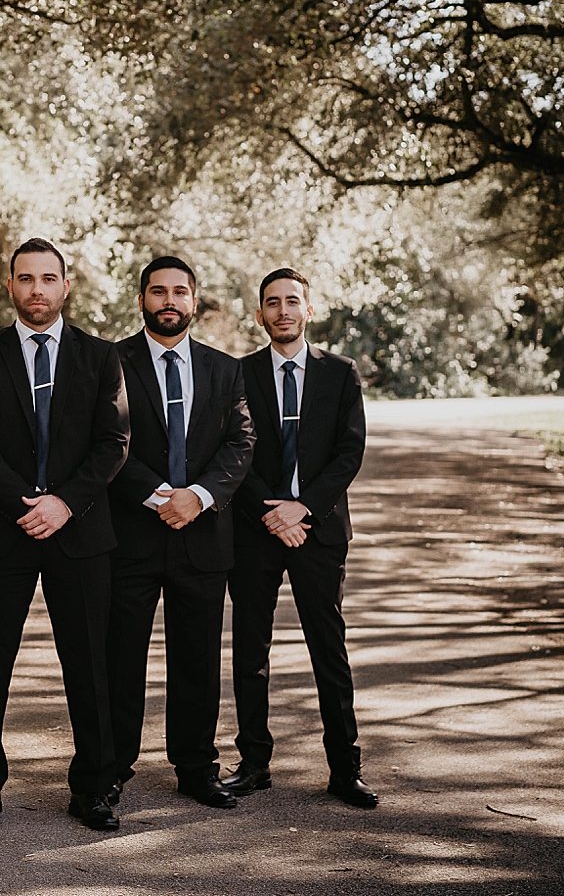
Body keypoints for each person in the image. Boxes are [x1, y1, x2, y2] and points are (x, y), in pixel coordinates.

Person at [0, 238, 130, 832]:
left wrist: (64, 503)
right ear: (10, 286)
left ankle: (95, 787)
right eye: (25, 279)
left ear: (65, 286)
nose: (37, 289)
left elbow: (114, 443)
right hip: (2, 533)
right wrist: (20, 504)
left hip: (80, 533)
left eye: (48, 278)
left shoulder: (101, 356)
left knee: (89, 665)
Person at [220, 268, 377, 808]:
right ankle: (254, 763)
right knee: (250, 650)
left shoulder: (341, 373)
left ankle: (345, 767)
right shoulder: (238, 375)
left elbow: (348, 453)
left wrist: (302, 508)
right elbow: (235, 452)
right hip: (255, 531)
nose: (282, 310)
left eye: (292, 301)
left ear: (309, 309)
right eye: (272, 302)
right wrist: (271, 512)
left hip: (320, 529)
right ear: (260, 313)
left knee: (327, 648)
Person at [106, 256, 255, 809]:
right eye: (158, 291)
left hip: (203, 535)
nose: (169, 301)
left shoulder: (224, 369)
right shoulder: (112, 362)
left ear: (195, 300)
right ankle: (112, 766)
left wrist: (199, 496)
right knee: (121, 658)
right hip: (132, 534)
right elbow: (107, 441)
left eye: (179, 292)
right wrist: (159, 495)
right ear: (142, 298)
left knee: (197, 659)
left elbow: (240, 445)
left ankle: (196, 767)